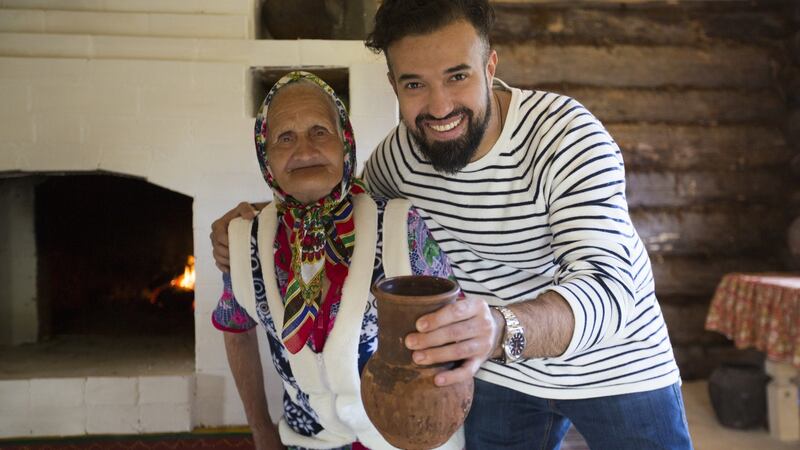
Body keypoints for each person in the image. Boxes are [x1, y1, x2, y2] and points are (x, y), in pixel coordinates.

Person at [211, 1, 694, 448]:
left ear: (490, 67)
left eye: (457, 76)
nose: (439, 108)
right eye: (415, 84)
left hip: (614, 366)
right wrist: (254, 223)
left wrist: (501, 329)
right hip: (495, 374)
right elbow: (340, 205)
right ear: (394, 84)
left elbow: (608, 284)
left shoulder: (567, 135)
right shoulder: (397, 160)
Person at [212, 71, 466, 450]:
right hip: (305, 442)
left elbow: (455, 335)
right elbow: (235, 328)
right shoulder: (247, 241)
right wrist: (262, 430)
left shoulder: (399, 228)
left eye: (319, 131)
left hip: (403, 441)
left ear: (345, 142)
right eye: (285, 137)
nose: (304, 150)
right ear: (266, 156)